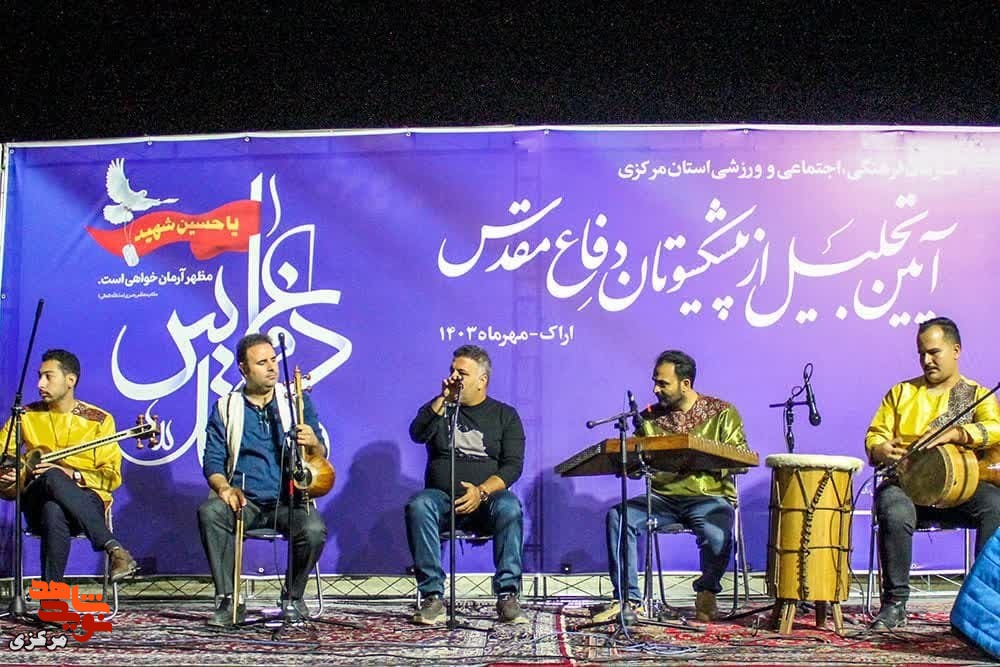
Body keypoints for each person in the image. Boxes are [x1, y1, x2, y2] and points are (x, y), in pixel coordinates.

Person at [866, 316, 1000, 630]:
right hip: (908, 487)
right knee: (894, 509)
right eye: (921, 354)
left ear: (956, 350)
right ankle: (894, 604)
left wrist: (958, 433)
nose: (927, 360)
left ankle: (983, 604)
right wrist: (880, 449)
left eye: (934, 352)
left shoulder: (976, 394)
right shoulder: (901, 393)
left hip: (960, 490)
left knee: (995, 506)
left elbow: (996, 428)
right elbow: (875, 435)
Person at [599, 350, 749, 624]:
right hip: (662, 499)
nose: (655, 390)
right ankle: (629, 601)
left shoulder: (722, 413)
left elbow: (741, 459)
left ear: (685, 384)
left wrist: (701, 455)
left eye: (663, 383)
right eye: (655, 382)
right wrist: (630, 463)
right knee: (618, 517)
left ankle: (707, 591)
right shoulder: (649, 418)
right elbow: (639, 466)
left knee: (716, 533)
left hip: (709, 497)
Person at [197, 333, 329, 627]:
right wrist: (224, 489)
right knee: (210, 512)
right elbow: (213, 461)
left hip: (290, 502)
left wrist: (314, 444)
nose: (272, 368)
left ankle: (293, 596)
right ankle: (230, 600)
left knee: (314, 529)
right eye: (262, 363)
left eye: (273, 360)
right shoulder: (226, 407)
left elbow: (320, 455)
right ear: (243, 369)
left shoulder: (295, 402)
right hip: (245, 503)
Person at [406, 345, 527, 625]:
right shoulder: (439, 408)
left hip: (487, 502)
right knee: (419, 505)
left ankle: (507, 595)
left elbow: (513, 466)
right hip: (443, 501)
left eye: (462, 373)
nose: (454, 377)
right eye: (452, 371)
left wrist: (481, 491)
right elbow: (417, 433)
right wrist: (443, 399)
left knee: (510, 506)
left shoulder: (505, 415)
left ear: (482, 381)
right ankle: (433, 597)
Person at [0, 349, 138, 584]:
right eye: (39, 376)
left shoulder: (99, 420)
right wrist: (10, 477)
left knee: (53, 509)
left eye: (48, 376)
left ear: (70, 380)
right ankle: (114, 549)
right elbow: (5, 459)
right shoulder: (25, 416)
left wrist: (74, 474)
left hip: (87, 503)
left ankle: (51, 599)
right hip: (36, 499)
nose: (40, 384)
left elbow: (111, 478)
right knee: (51, 478)